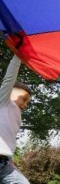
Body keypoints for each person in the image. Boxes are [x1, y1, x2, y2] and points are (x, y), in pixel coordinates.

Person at [0, 55, 31, 184]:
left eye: (28, 103)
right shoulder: (4, 101)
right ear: (10, 91)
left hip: (5, 164)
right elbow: (9, 78)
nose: (25, 105)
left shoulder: (16, 114)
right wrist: (18, 55)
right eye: (24, 99)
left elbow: (9, 139)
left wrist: (10, 159)